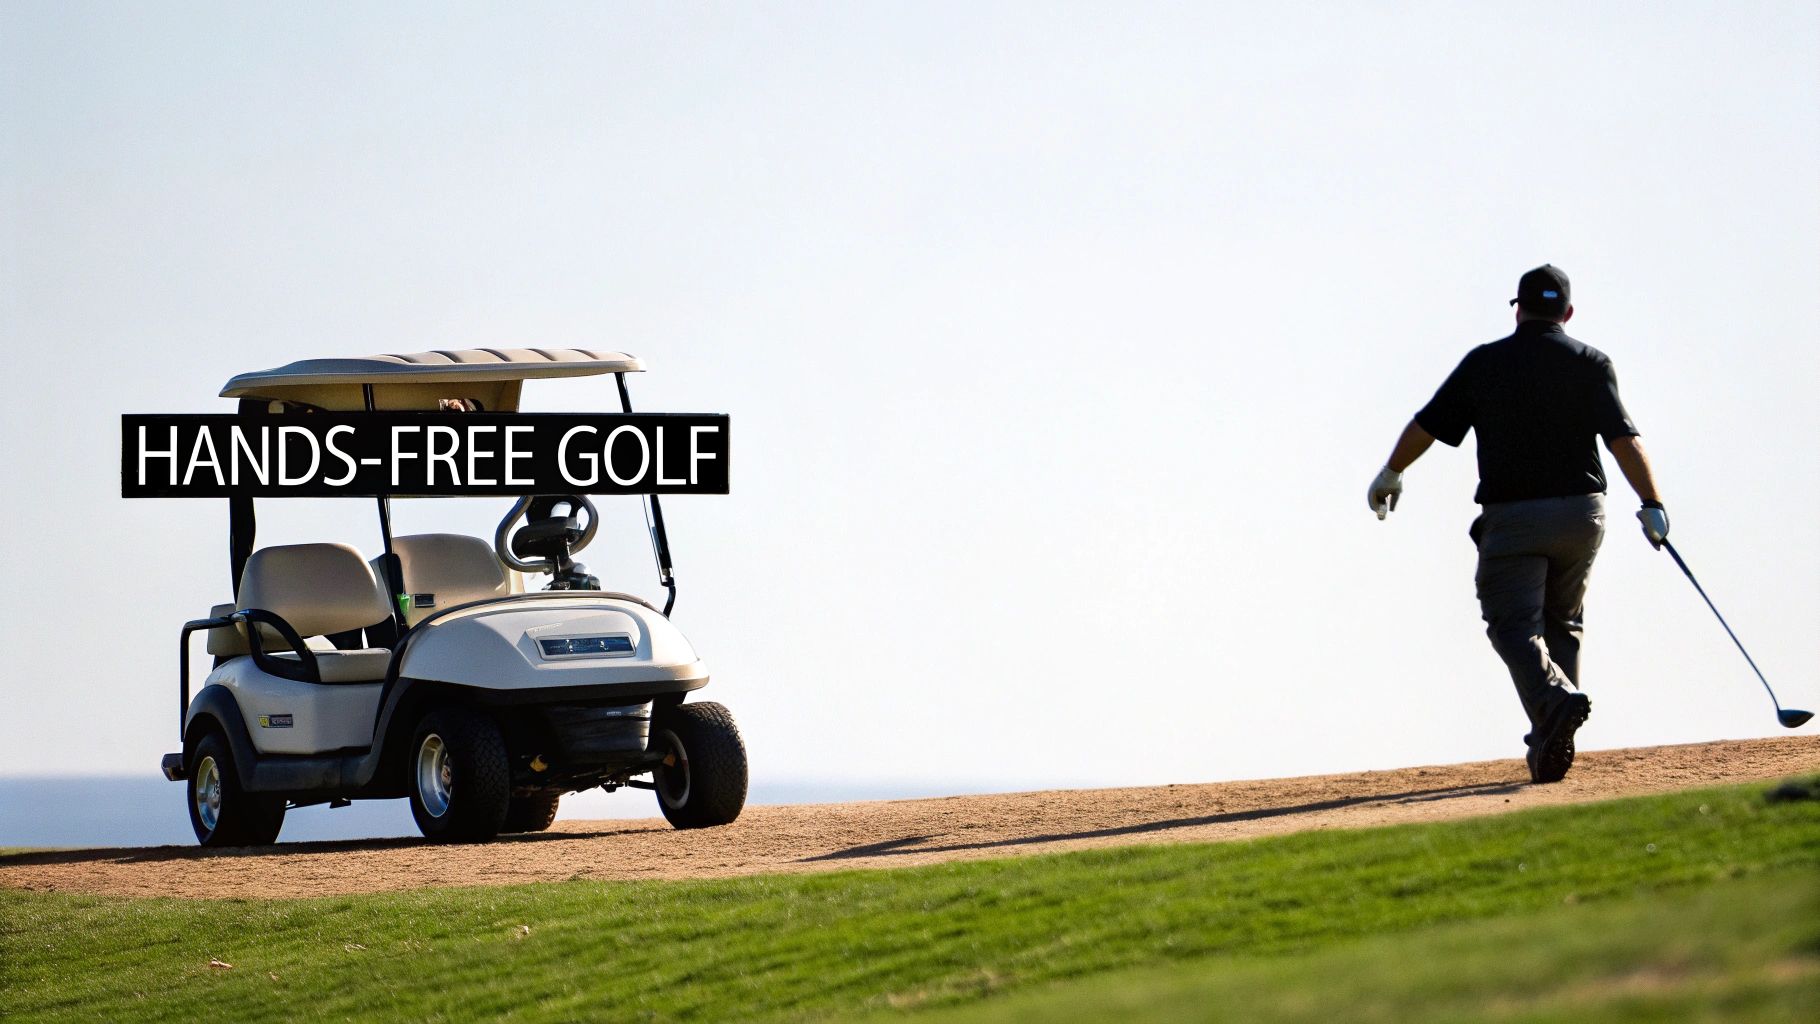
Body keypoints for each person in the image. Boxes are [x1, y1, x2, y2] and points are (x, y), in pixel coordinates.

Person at [1366, 265, 1669, 783]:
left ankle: (1554, 703)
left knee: (1513, 625)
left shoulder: (1486, 363)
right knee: (1563, 624)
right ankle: (1549, 741)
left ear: (1518, 308)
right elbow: (1625, 439)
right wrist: (1651, 503)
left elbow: (1428, 425)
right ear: (1567, 313)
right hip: (1582, 515)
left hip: (1515, 519)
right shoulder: (1591, 362)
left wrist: (1392, 470)